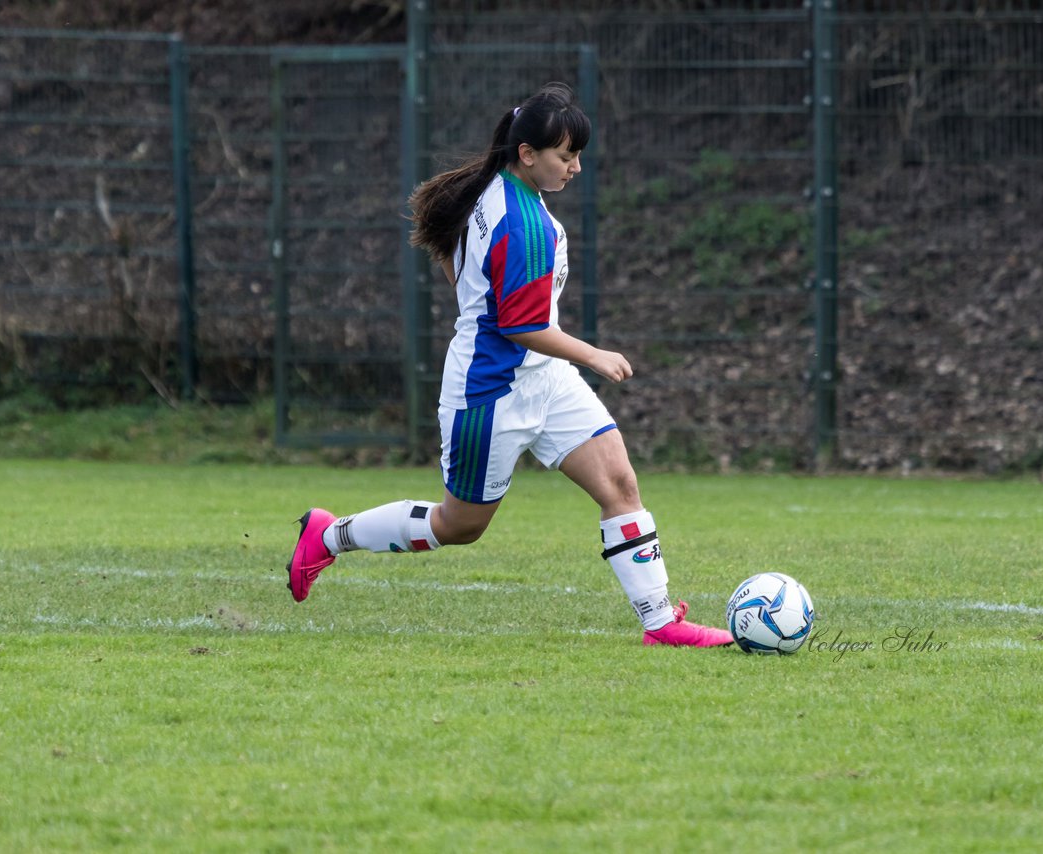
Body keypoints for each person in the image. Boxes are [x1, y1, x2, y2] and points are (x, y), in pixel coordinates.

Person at [286, 82, 730, 647]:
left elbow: (454, 256)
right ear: (528, 154)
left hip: (543, 379)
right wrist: (593, 354)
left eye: (577, 156)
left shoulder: (489, 188)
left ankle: (661, 622)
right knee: (459, 526)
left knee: (619, 484)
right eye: (565, 157)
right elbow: (521, 325)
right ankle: (330, 537)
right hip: (489, 392)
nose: (574, 168)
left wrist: (475, 298)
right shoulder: (523, 224)